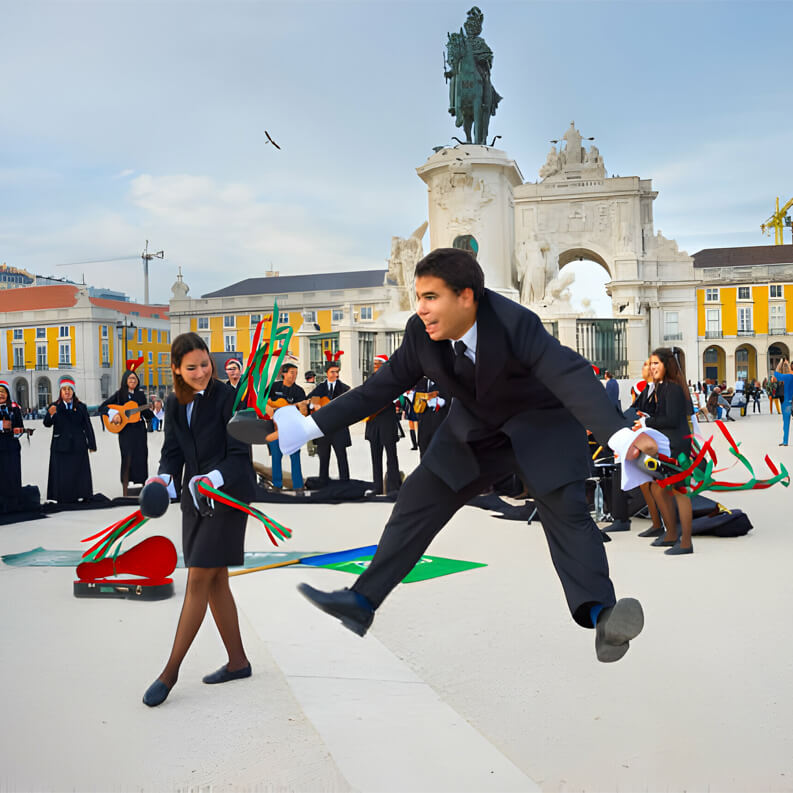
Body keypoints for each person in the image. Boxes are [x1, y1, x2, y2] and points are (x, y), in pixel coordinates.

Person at [273, 248, 659, 663]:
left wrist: (620, 436)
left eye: (431, 297)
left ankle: (603, 619)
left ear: (466, 296)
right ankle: (362, 601)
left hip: (542, 426)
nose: (420, 308)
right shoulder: (421, 334)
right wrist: (309, 427)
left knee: (566, 514)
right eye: (418, 296)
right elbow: (377, 389)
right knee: (416, 499)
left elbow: (570, 376)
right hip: (477, 431)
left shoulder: (515, 324)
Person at [142, 332, 255, 707]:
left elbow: (239, 456)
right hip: (194, 500)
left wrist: (212, 479)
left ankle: (169, 673)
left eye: (205, 364)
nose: (202, 372)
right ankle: (238, 662)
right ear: (176, 369)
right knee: (215, 579)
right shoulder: (174, 403)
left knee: (198, 579)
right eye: (192, 368)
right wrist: (160, 478)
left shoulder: (229, 398)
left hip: (227, 496)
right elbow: (172, 453)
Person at [635, 348, 694, 556]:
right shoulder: (661, 387)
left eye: (655, 364)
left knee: (680, 492)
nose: (651, 368)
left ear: (666, 365)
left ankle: (686, 542)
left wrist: (647, 421)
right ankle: (670, 534)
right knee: (660, 489)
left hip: (678, 446)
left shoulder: (673, 388)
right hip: (667, 444)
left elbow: (671, 419)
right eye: (650, 364)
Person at [100, 369, 154, 497]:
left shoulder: (140, 395)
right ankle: (125, 484)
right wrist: (114, 414)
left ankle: (141, 484)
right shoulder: (119, 395)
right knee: (127, 457)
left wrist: (152, 410)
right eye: (130, 378)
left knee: (141, 456)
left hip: (139, 430)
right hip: (126, 432)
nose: (132, 381)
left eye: (134, 379)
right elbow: (103, 407)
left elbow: (145, 413)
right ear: (125, 380)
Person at [43, 376, 96, 503]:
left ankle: (81, 493)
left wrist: (92, 444)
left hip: (78, 445)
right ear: (60, 392)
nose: (67, 392)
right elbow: (47, 423)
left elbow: (87, 426)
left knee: (79, 472)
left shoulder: (81, 407)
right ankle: (62, 496)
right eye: (64, 389)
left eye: (69, 389)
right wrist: (50, 414)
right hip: (61, 446)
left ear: (73, 391)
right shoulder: (54, 406)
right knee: (62, 473)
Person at [307, 361, 351, 486]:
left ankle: (345, 483)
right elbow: (310, 402)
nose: (336, 374)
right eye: (333, 372)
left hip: (339, 429)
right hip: (323, 430)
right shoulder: (320, 388)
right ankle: (323, 483)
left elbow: (349, 407)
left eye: (337, 372)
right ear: (326, 373)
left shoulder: (344, 389)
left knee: (342, 457)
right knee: (323, 458)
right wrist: (314, 405)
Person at [365, 355, 402, 495]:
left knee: (391, 455)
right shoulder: (370, 379)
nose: (375, 366)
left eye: (378, 363)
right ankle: (377, 486)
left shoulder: (392, 379)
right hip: (373, 422)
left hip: (387, 420)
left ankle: (393, 486)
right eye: (374, 364)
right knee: (375, 455)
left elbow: (396, 397)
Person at [267, 363, 307, 492]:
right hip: (275, 429)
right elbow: (262, 400)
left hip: (291, 430)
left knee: (295, 456)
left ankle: (298, 485)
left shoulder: (299, 391)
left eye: (296, 373)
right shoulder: (274, 387)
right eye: (291, 372)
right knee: (276, 456)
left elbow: (303, 411)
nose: (294, 375)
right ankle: (277, 485)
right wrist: (269, 409)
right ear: (284, 373)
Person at [0, 380, 25, 513]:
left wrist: (18, 431)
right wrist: (1, 426)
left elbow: (21, 427)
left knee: (12, 474)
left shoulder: (14, 409)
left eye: (3, 392)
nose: (1, 395)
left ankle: (13, 502)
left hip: (12, 448)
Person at [413, 376, 449, 457]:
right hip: (424, 423)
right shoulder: (422, 382)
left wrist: (443, 401)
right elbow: (415, 400)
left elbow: (453, 397)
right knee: (423, 449)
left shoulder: (446, 379)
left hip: (439, 422)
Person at [771, 359, 793, 446]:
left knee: (786, 421)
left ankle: (785, 441)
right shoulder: (789, 376)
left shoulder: (786, 377)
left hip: (786, 400)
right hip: (788, 399)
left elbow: (775, 374)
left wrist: (780, 363)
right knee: (786, 421)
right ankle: (785, 441)